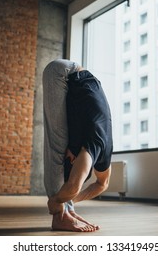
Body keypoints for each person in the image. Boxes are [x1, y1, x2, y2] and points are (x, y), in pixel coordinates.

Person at [43, 59, 113, 232]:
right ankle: (60, 217)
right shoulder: (91, 149)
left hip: (77, 74)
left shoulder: (103, 154)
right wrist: (56, 201)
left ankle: (67, 212)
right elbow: (74, 185)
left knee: (64, 146)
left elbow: (102, 185)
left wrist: (69, 201)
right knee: (57, 149)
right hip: (61, 73)